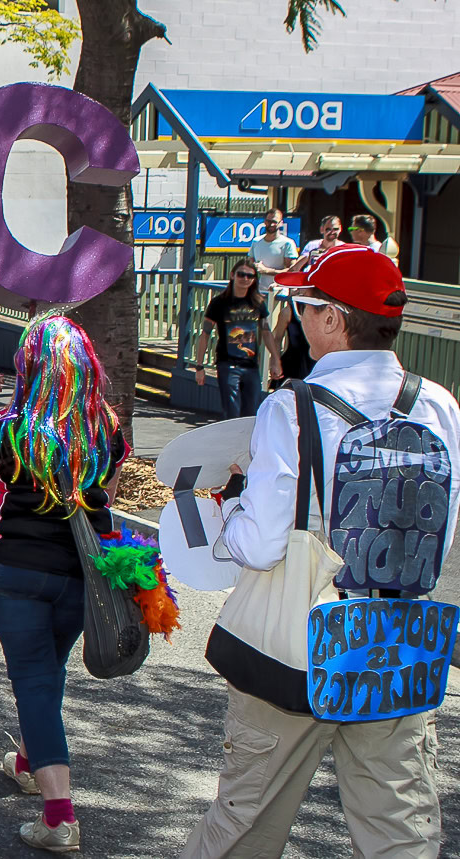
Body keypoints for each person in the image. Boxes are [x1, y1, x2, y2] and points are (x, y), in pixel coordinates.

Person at [182, 245, 460, 859]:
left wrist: (226, 507)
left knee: (244, 825)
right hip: (397, 645)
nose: (296, 319)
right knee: (401, 832)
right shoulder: (439, 405)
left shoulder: (293, 407)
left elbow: (258, 545)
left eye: (303, 305)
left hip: (299, 647)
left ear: (334, 319)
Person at [0, 315, 126, 852]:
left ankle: (59, 816)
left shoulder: (11, 426)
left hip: (12, 571)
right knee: (48, 671)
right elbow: (106, 497)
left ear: (29, 367)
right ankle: (26, 762)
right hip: (82, 577)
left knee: (35, 680)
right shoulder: (106, 428)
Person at [194, 259, 284, 417]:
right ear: (232, 275)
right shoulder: (219, 303)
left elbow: (266, 332)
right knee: (232, 413)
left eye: (250, 276)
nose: (245, 279)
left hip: (251, 365)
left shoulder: (257, 303)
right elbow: (205, 334)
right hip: (227, 364)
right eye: (241, 275)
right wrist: (199, 367)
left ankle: (247, 442)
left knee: (252, 413)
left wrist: (276, 360)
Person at [248, 208, 298, 303]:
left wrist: (267, 271)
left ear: (281, 223)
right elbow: (250, 265)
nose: (271, 224)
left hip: (279, 293)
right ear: (264, 222)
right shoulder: (256, 242)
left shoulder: (288, 243)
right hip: (258, 293)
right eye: (268, 221)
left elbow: (292, 271)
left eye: (274, 222)